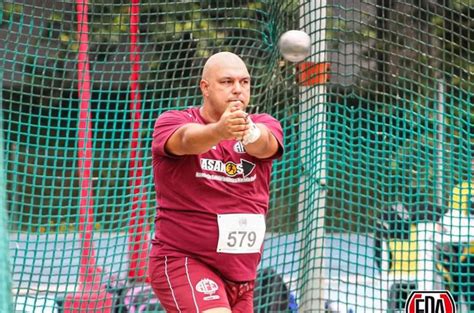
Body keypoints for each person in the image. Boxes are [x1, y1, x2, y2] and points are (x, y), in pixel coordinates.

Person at [148, 51, 284, 312]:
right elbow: (187, 140)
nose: (237, 90)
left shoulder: (264, 124)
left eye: (244, 82)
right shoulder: (173, 121)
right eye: (227, 82)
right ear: (205, 87)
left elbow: (265, 146)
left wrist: (248, 132)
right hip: (184, 261)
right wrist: (220, 131)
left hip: (242, 277)